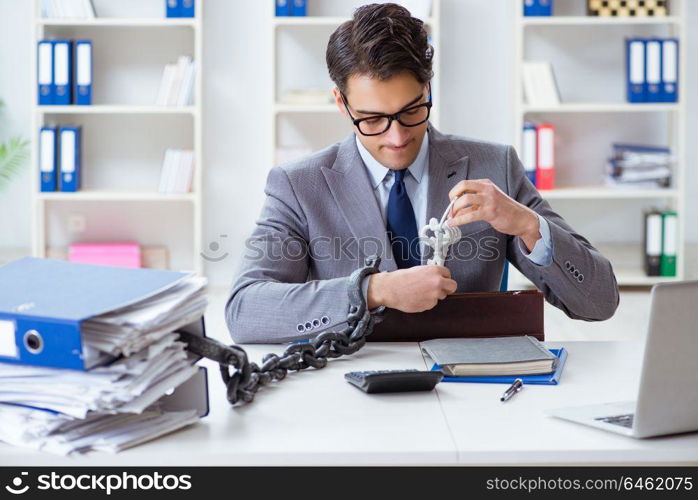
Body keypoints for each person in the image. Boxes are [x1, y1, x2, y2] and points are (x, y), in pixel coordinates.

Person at [226, 3, 619, 343]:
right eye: (373, 119)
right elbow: (245, 310)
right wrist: (372, 290)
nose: (397, 137)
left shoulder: (493, 166)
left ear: (428, 89)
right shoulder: (298, 185)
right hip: (351, 392)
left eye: (411, 110)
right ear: (342, 104)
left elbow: (599, 303)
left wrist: (528, 225)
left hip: (471, 388)